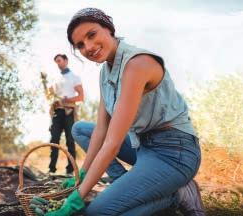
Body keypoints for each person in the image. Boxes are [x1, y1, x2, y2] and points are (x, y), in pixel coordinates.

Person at [30, 8, 205, 216]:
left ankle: (176, 195)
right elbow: (102, 129)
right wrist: (81, 176)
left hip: (175, 153)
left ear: (109, 29)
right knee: (81, 130)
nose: (88, 47)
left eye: (92, 34)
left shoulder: (137, 64)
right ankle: (128, 186)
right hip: (143, 146)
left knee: (98, 212)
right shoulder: (106, 71)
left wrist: (76, 198)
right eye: (80, 45)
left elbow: (112, 143)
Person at [48, 54, 84, 175]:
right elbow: (51, 94)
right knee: (54, 139)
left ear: (66, 61)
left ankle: (70, 170)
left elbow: (81, 96)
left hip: (69, 112)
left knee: (70, 140)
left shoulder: (74, 77)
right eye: (56, 62)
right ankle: (51, 169)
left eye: (59, 61)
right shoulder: (55, 78)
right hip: (57, 112)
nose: (58, 63)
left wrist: (67, 100)